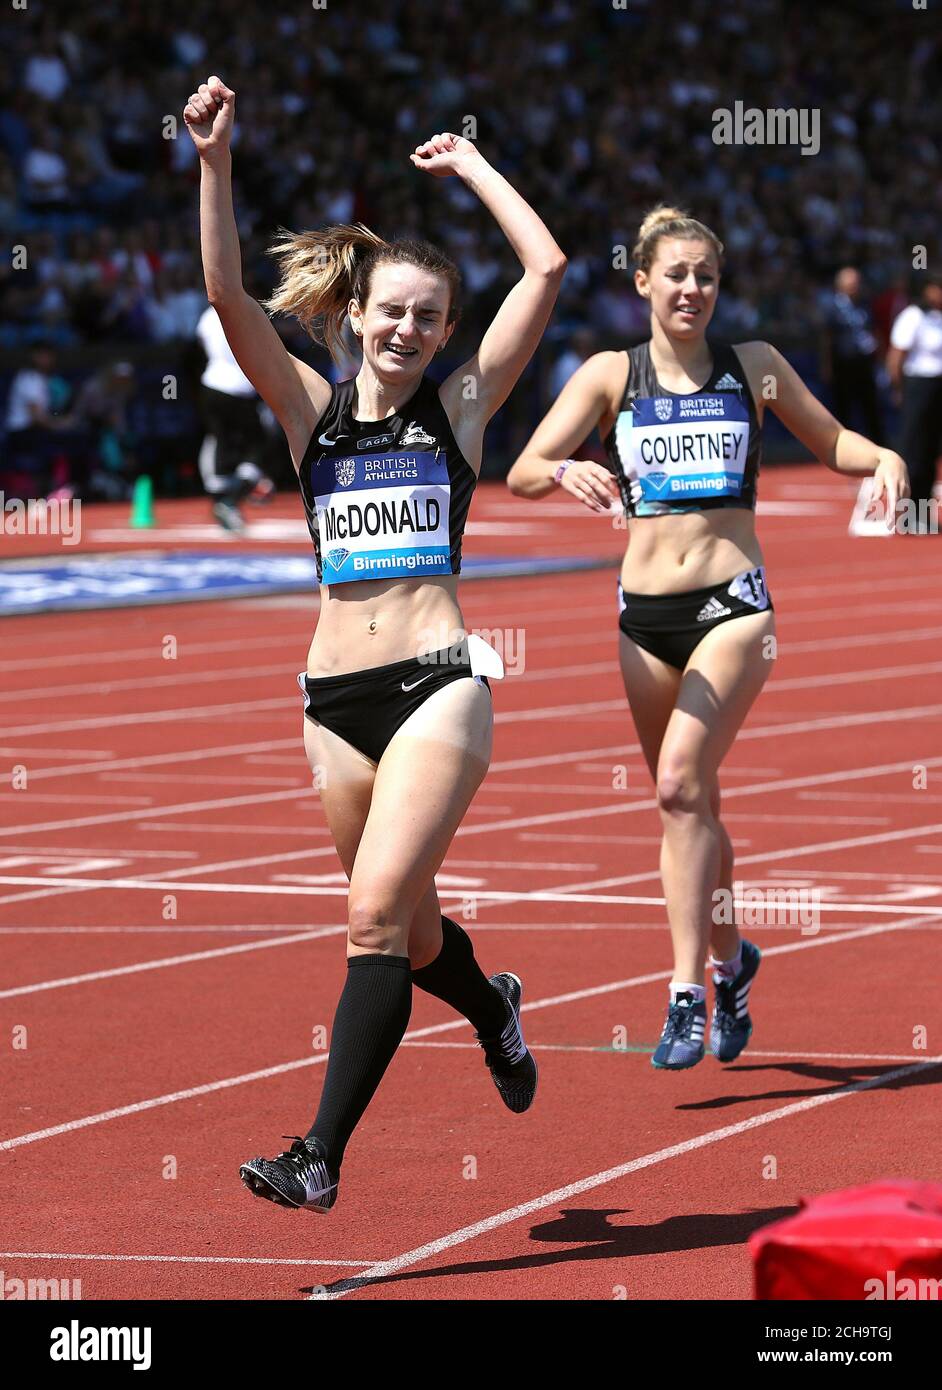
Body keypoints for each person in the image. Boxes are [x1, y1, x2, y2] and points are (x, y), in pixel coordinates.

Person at [183, 75, 566, 1210]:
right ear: (357, 316)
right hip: (334, 701)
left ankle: (317, 1157)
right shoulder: (311, 415)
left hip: (440, 684)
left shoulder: (459, 414)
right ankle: (492, 1004)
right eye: (390, 311)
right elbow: (221, 289)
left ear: (448, 332)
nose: (407, 329)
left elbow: (544, 271)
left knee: (366, 919)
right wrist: (215, 162)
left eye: (429, 318)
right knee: (406, 926)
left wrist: (474, 169)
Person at [507, 205, 908, 1070]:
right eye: (677, 274)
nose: (693, 289)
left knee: (680, 784)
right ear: (643, 280)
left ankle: (685, 989)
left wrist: (884, 459)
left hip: (736, 609)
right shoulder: (610, 375)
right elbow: (524, 468)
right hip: (644, 621)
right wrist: (564, 467)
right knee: (693, 807)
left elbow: (831, 439)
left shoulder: (753, 367)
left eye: (707, 277)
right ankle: (735, 962)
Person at [195, 299, 274, 532]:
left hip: (211, 383)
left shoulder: (207, 316)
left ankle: (222, 499)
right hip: (239, 387)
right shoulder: (246, 312)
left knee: (222, 442)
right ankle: (230, 499)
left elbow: (199, 344)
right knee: (258, 444)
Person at [887, 272, 942, 531]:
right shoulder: (913, 316)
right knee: (914, 452)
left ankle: (923, 517)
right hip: (918, 386)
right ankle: (907, 517)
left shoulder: (937, 318)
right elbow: (896, 356)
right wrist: (899, 389)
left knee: (930, 453)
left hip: (937, 388)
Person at [820, 266, 883, 443]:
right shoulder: (832, 307)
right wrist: (827, 366)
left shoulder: (864, 304)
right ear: (840, 285)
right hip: (843, 364)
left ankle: (879, 444)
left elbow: (873, 330)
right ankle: (845, 445)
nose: (856, 286)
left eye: (857, 282)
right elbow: (826, 338)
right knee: (844, 407)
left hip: (864, 363)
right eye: (851, 283)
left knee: (870, 406)